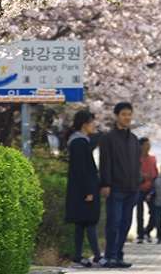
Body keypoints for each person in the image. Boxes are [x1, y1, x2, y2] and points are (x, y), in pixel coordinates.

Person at [99, 102, 141, 269]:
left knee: (125, 223)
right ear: (117, 116)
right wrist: (105, 183)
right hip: (115, 187)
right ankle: (110, 256)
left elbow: (137, 163)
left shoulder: (134, 139)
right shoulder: (108, 138)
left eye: (129, 114)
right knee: (114, 223)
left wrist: (138, 182)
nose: (127, 117)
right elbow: (105, 162)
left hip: (132, 188)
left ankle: (119, 254)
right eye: (124, 114)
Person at [64, 110, 103, 267]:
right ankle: (98, 257)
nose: (94, 126)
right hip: (84, 190)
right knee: (90, 222)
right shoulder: (79, 142)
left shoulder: (80, 141)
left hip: (79, 189)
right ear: (84, 124)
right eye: (92, 122)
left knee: (81, 224)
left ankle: (78, 257)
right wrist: (88, 191)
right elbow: (82, 169)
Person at [136, 137, 158, 244]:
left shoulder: (153, 159)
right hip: (138, 189)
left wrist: (153, 188)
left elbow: (155, 174)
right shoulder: (136, 159)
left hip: (150, 189)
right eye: (146, 145)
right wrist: (143, 176)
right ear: (140, 146)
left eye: (149, 145)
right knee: (139, 213)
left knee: (154, 213)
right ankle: (140, 235)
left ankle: (147, 231)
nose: (148, 147)